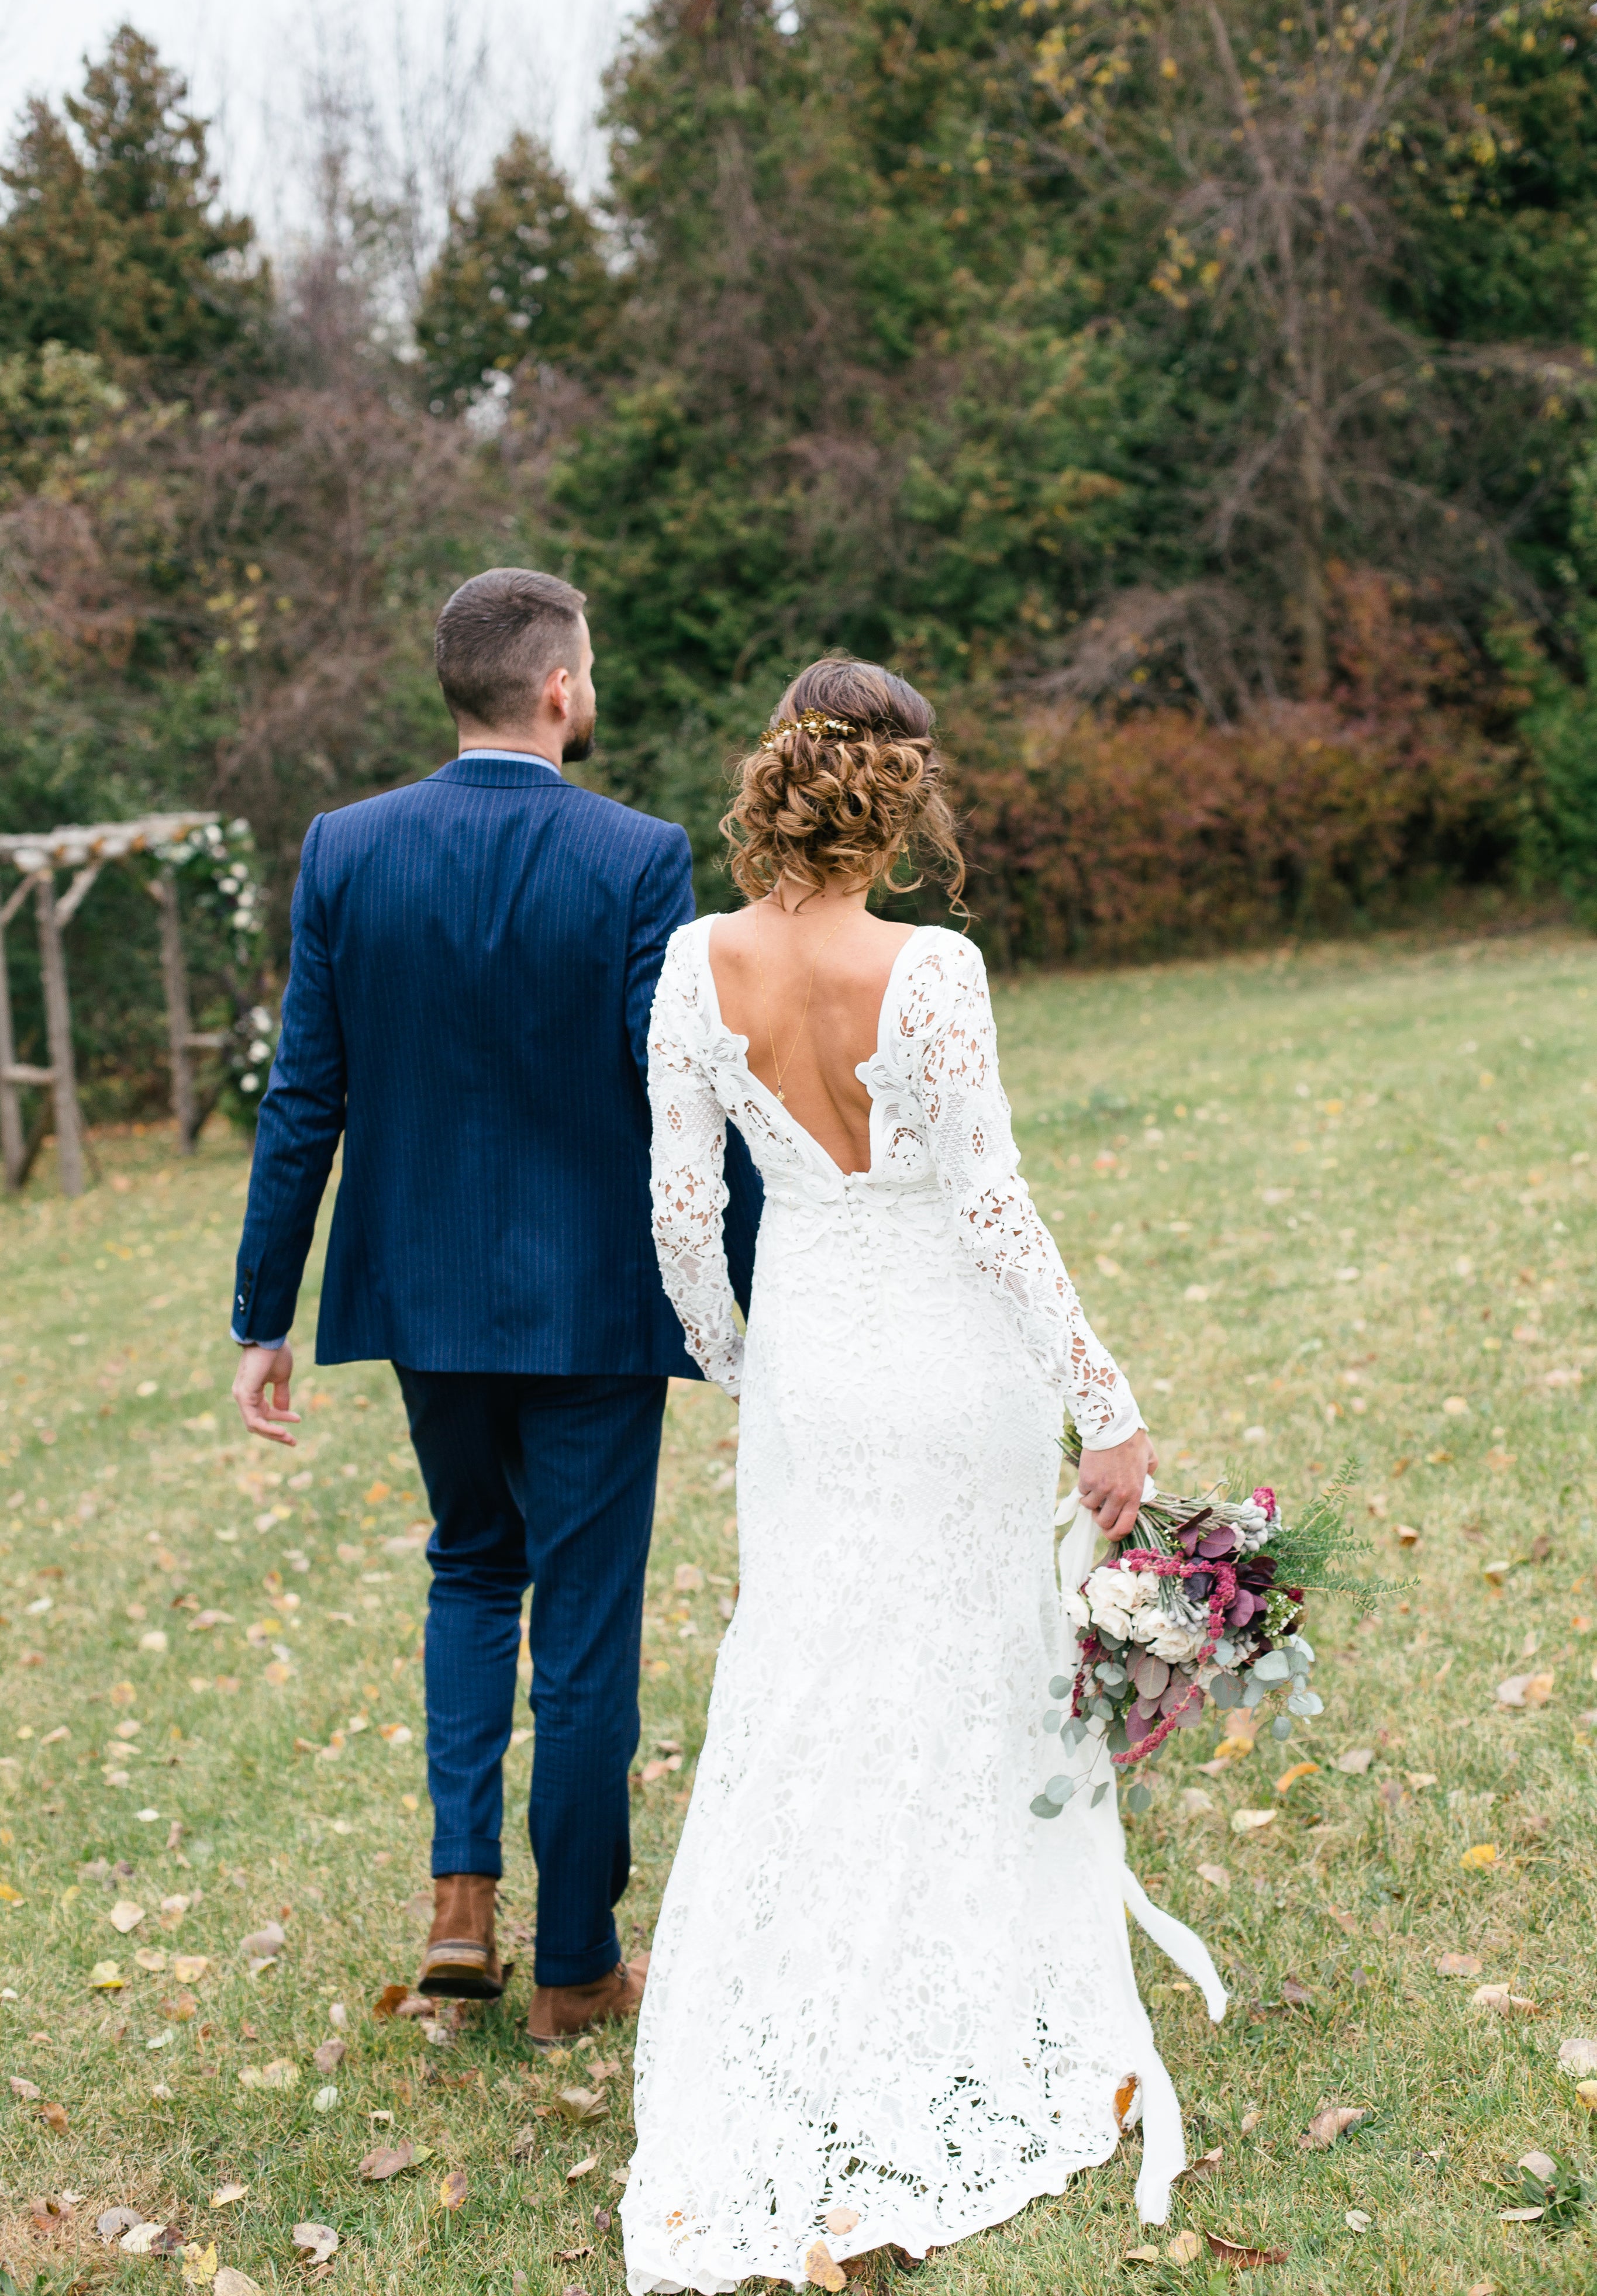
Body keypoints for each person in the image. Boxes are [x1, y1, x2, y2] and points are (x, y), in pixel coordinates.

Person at [625, 658, 1224, 2292]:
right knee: (966, 1665)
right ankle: (967, 1985)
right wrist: (1105, 1404)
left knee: (810, 1665)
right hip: (956, 1370)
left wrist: (741, 1359)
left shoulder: (691, 964)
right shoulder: (932, 970)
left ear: (777, 786)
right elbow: (990, 1208)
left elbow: (682, 1211)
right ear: (898, 802)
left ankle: (813, 1981)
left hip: (813, 1367)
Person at [228, 567, 761, 2045]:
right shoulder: (638, 856)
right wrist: (756, 1284)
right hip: (595, 1304)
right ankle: (576, 1965)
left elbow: (303, 1094)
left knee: (471, 1568)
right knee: (583, 1625)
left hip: (425, 1296)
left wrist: (264, 1311)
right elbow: (678, 1093)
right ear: (558, 689)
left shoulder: (345, 848)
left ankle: (461, 1904)